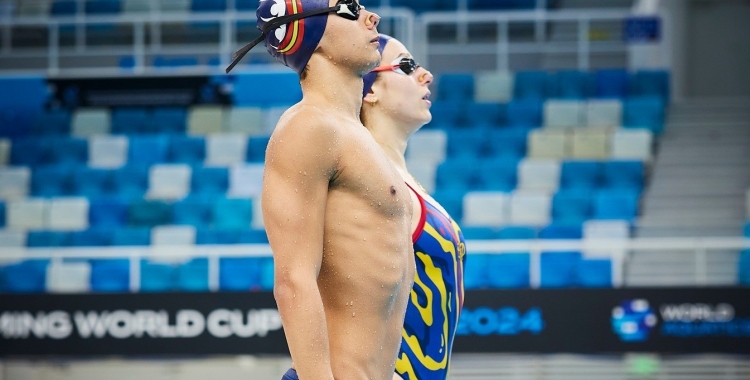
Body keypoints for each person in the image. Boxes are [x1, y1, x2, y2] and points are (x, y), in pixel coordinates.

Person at [227, 2, 416, 380]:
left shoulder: (356, 136)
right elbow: (293, 282)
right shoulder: (309, 128)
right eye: (349, 10)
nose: (371, 16)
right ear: (312, 35)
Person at [360, 35, 466, 380]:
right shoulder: (368, 183)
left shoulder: (396, 179)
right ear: (369, 91)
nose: (426, 74)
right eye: (407, 66)